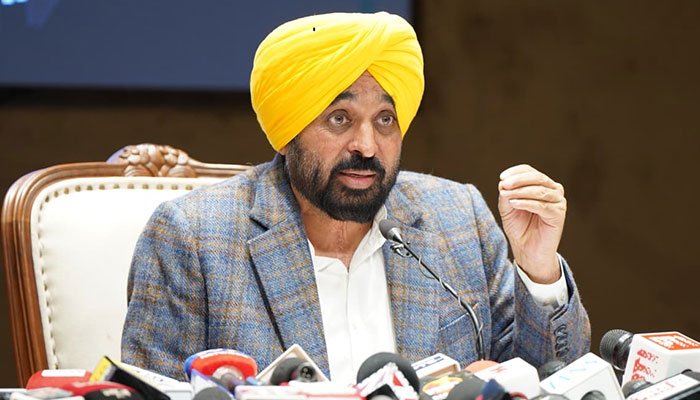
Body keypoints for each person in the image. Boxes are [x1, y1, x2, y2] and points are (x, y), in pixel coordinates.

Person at [121, 11, 590, 383]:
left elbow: (552, 379)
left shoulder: (458, 218)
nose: (367, 146)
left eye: (385, 119)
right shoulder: (193, 238)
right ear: (287, 133)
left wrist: (538, 270)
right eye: (340, 119)